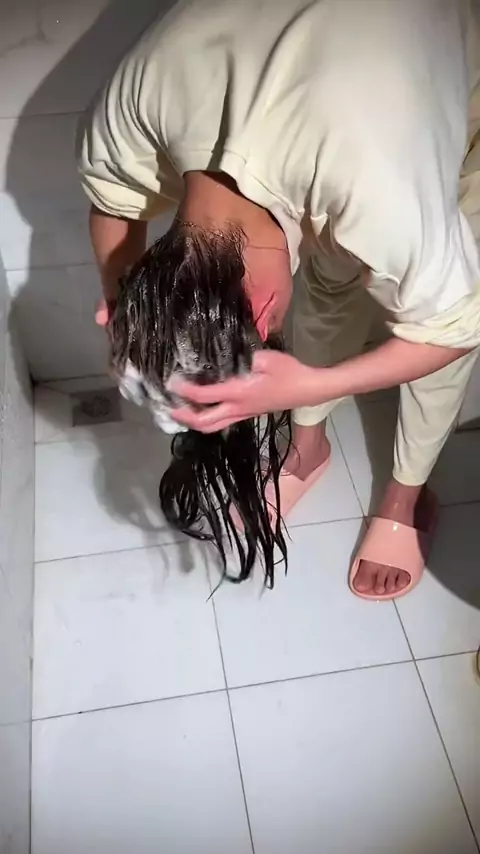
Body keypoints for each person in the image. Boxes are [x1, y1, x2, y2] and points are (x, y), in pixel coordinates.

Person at [78, 0, 480, 601]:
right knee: (326, 281)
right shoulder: (134, 104)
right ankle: (306, 451)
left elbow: (455, 329)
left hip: (451, 82)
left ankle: (405, 496)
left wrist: (309, 386)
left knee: (443, 293)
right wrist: (120, 297)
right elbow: (112, 199)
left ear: (265, 315)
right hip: (339, 102)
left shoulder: (383, 192)